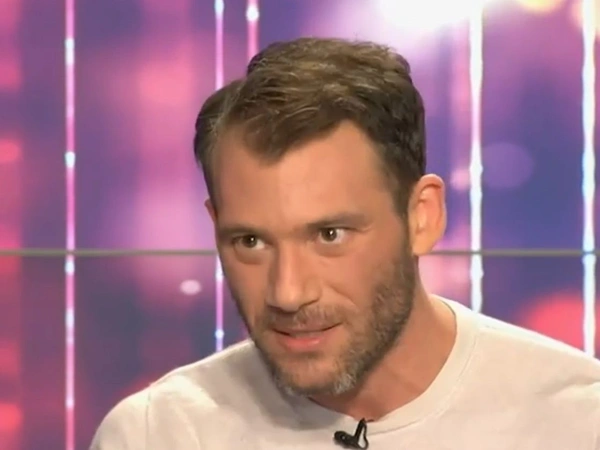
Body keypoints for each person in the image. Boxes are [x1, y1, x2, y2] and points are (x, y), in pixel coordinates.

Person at [90, 37, 600, 449]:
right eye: (251, 241)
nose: (289, 293)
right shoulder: (159, 435)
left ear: (422, 217)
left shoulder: (578, 422)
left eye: (329, 235)